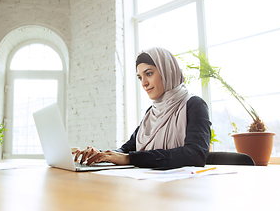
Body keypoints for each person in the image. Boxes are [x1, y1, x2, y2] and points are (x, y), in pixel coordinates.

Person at [73, 47, 211, 170]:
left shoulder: (194, 105)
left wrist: (130, 158)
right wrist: (100, 154)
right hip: (148, 187)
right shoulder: (152, 112)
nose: (144, 83)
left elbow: (196, 154)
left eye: (149, 74)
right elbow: (126, 150)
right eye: (140, 77)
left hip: (182, 190)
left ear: (167, 71)